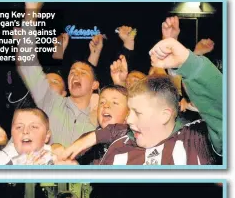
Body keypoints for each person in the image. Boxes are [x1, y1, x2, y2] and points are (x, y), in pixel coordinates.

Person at [62, 37, 222, 165]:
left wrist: (189, 63)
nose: (129, 119)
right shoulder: (118, 148)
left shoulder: (197, 141)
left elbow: (223, 113)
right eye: (130, 111)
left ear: (164, 115)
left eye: (137, 113)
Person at [15, 2, 99, 147]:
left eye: (83, 72)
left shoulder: (101, 114)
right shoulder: (50, 101)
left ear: (95, 84)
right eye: (72, 72)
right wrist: (31, 11)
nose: (75, 75)